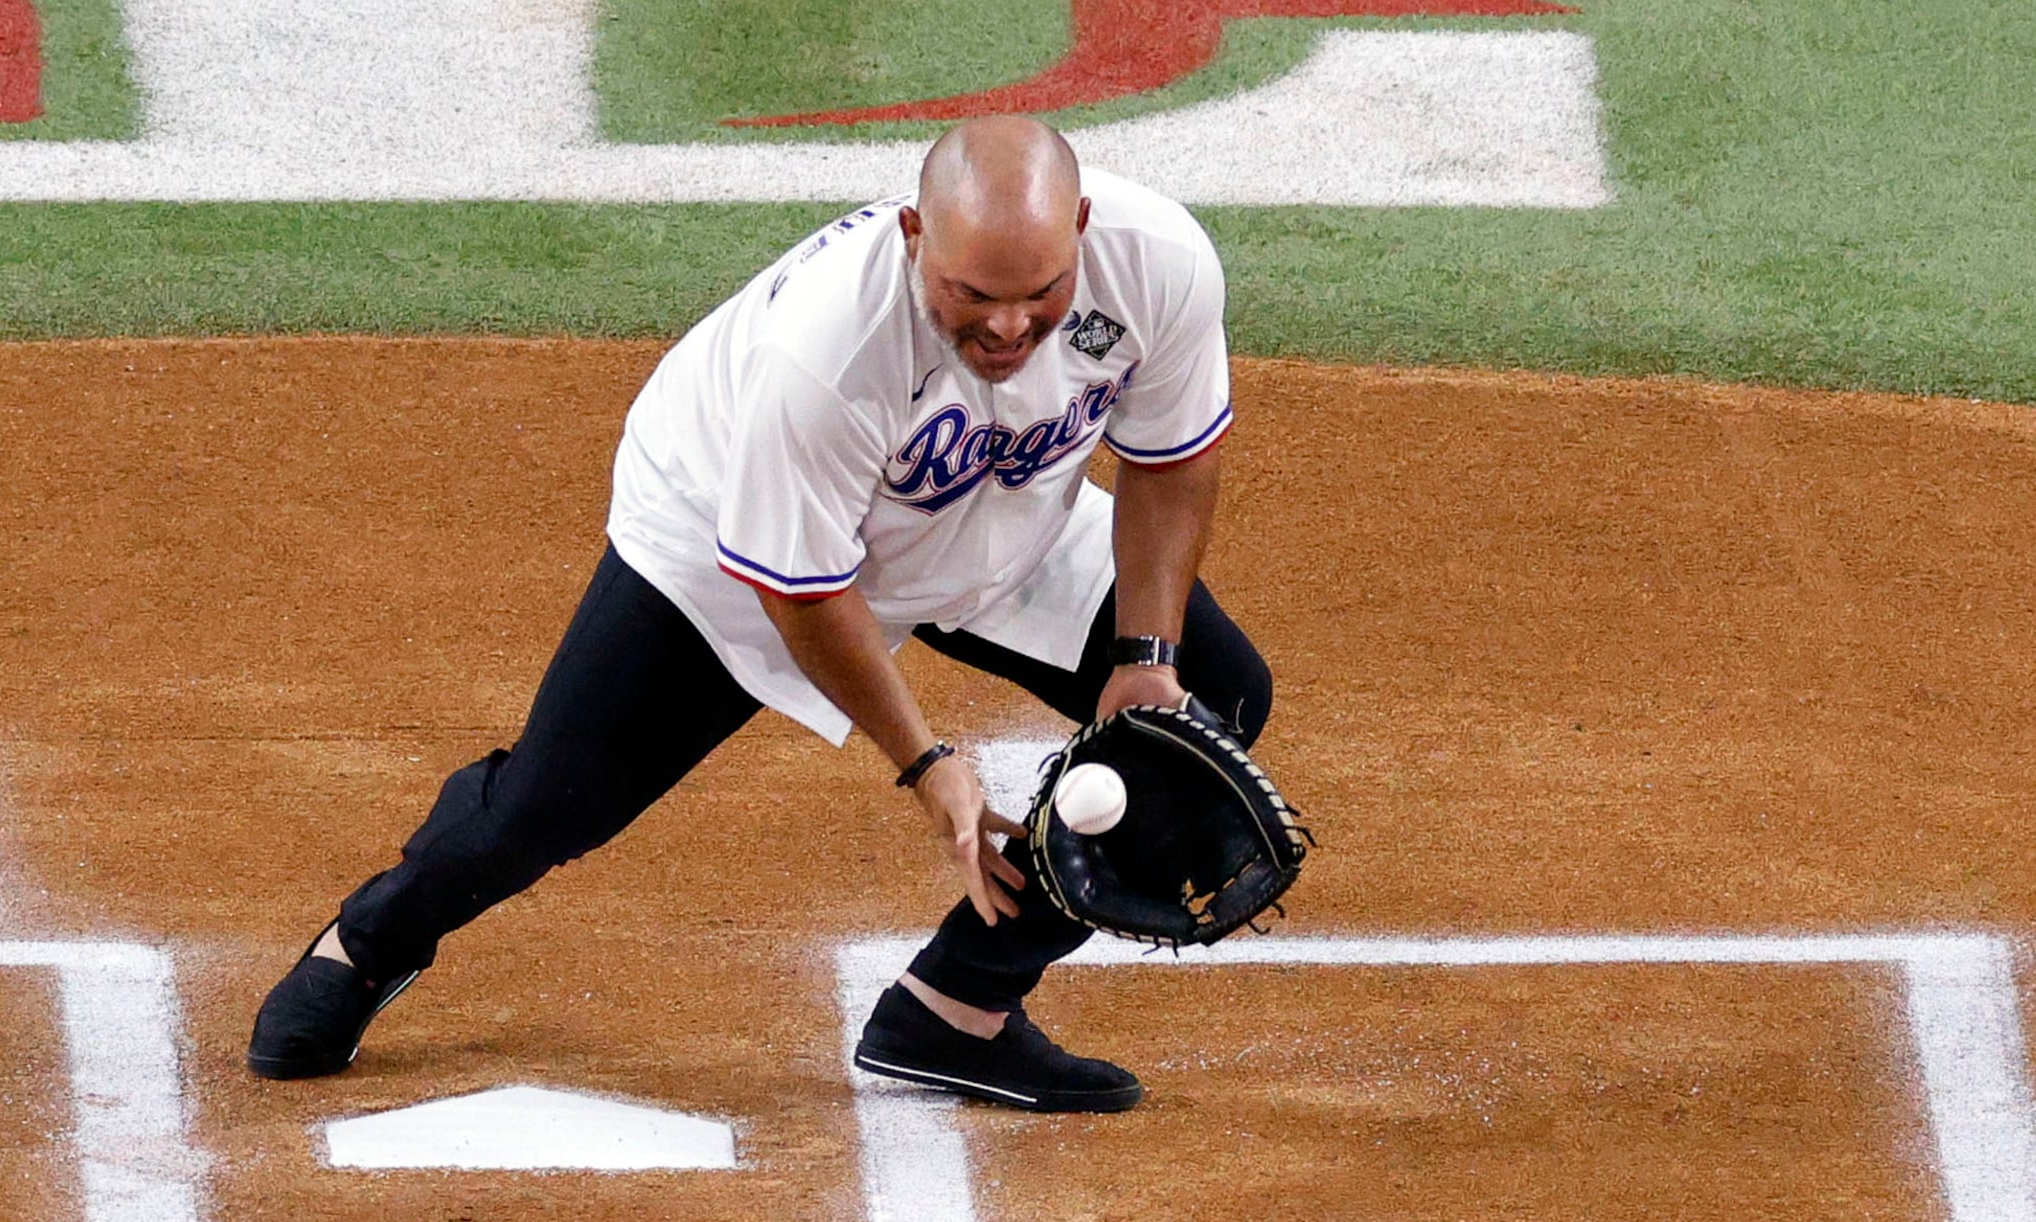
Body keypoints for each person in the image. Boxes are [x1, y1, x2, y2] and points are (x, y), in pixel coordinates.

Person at [247, 116, 1271, 1110]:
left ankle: (955, 1007)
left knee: (1203, 697)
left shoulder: (1158, 266)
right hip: (726, 538)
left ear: (1081, 231)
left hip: (998, 506)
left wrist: (1143, 655)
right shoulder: (825, 351)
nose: (1006, 326)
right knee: (544, 812)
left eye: (1039, 294)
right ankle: (373, 938)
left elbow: (1171, 462)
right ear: (915, 237)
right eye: (971, 295)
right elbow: (803, 587)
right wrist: (925, 761)